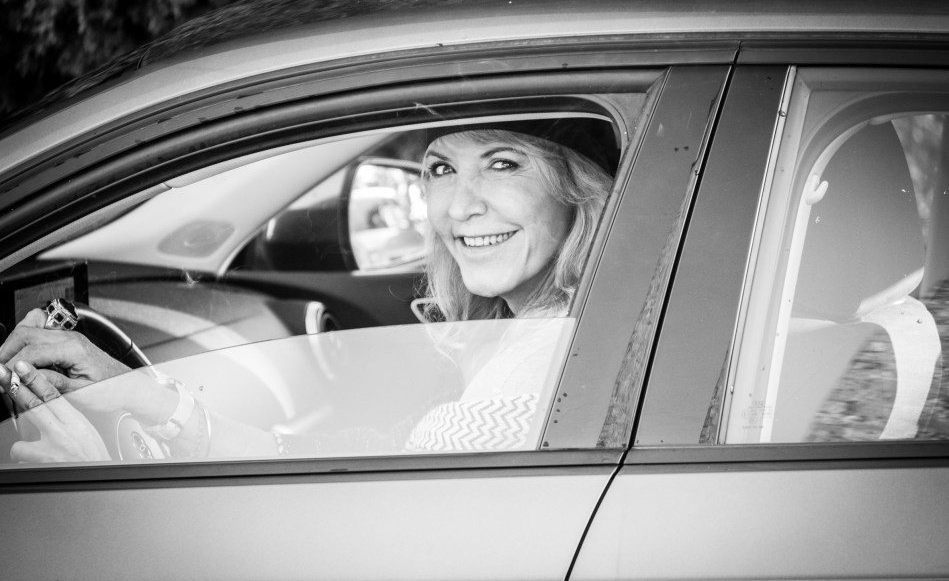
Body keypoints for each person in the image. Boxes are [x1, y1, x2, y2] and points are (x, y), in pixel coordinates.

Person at [0, 119, 616, 463]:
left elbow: (375, 551)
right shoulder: (558, 331)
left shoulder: (526, 386)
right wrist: (163, 405)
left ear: (577, 187)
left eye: (504, 164)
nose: (459, 207)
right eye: (441, 168)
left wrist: (95, 480)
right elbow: (391, 456)